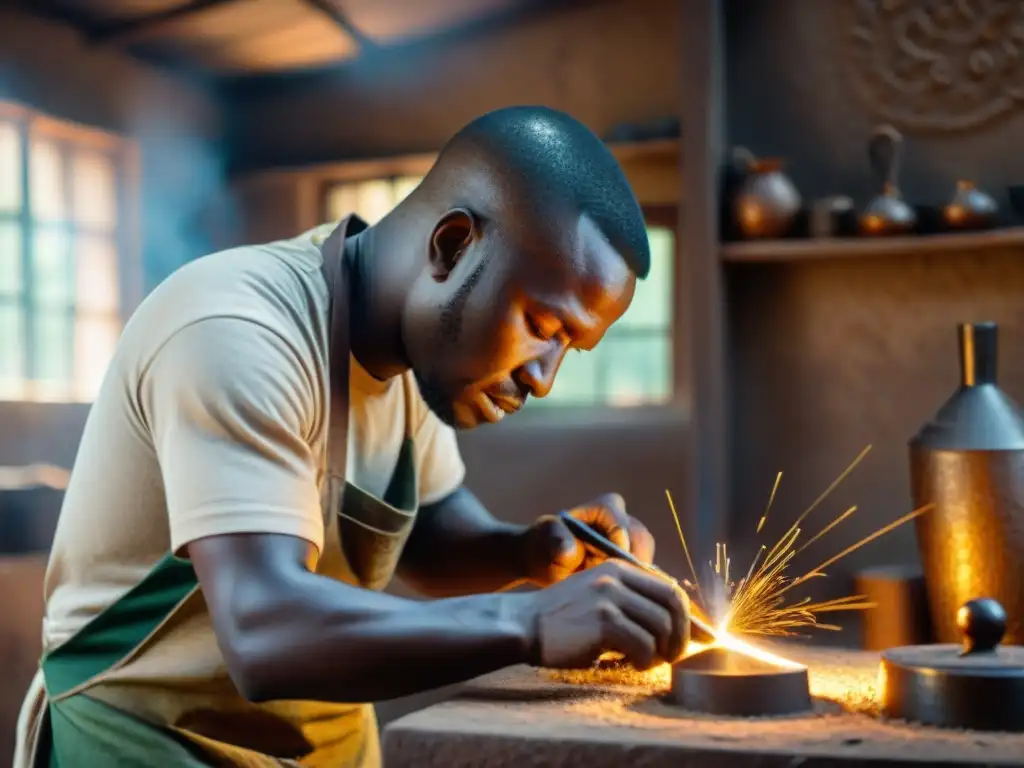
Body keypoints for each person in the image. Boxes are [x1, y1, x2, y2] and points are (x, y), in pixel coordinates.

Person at [14, 105, 690, 767]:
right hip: (150, 739)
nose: (543, 378)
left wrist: (533, 553)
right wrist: (534, 623)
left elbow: (428, 539)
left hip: (321, 742)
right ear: (453, 246)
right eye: (543, 326)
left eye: (570, 348)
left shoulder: (409, 358)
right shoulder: (235, 329)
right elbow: (263, 631)